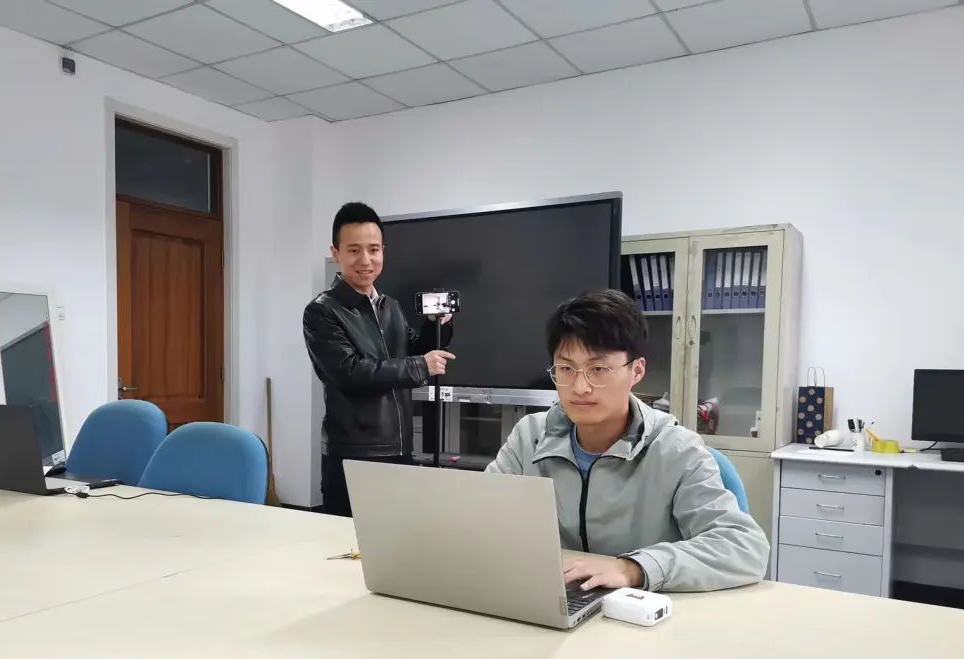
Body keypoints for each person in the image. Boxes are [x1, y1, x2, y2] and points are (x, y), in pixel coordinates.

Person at [486, 290, 769, 592]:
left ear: (637, 370)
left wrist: (634, 568)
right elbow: (480, 519)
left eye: (598, 369)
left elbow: (744, 548)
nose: (580, 387)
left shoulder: (676, 450)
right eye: (566, 369)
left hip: (647, 609)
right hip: (553, 599)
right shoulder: (529, 438)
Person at [303, 202, 454, 517]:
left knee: (398, 540)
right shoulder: (322, 311)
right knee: (346, 543)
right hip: (354, 455)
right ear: (336, 253)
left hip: (400, 449)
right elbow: (350, 373)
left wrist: (436, 324)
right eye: (354, 250)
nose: (365, 260)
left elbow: (414, 349)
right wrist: (421, 366)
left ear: (383, 251)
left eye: (373, 249)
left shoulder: (390, 306)